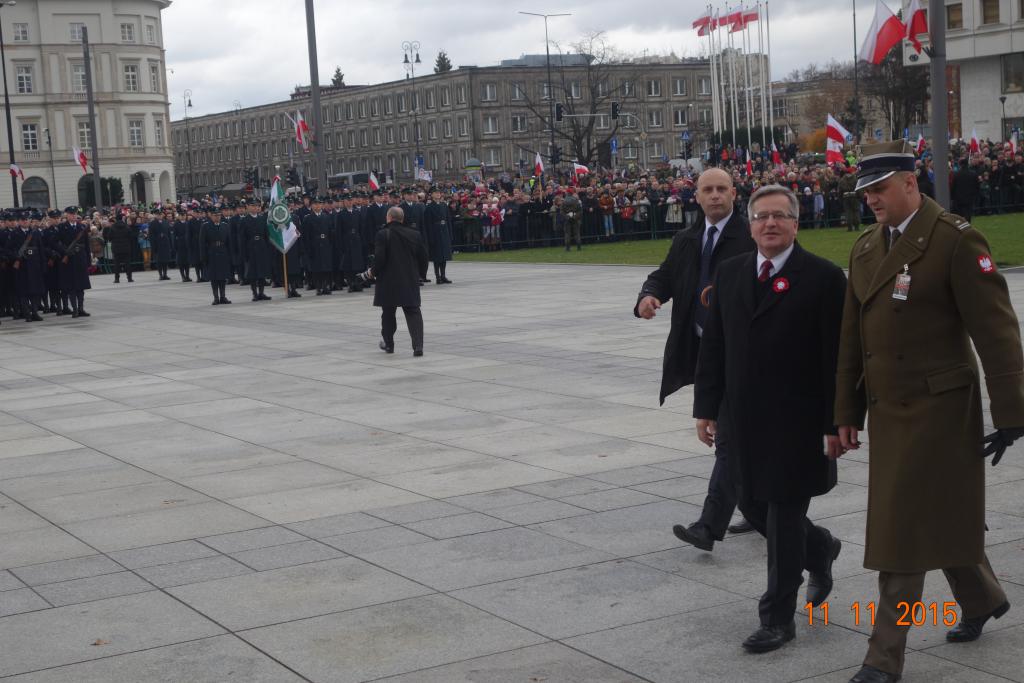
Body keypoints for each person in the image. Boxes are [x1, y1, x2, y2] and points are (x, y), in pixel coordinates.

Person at [834, 141, 1024, 683]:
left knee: (903, 530)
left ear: (910, 183)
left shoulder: (955, 240)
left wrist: (1012, 411)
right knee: (933, 512)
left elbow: (997, 330)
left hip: (940, 410)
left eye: (880, 189)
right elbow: (852, 339)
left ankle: (882, 658)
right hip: (888, 411)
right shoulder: (866, 247)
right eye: (866, 192)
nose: (872, 199)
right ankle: (982, 597)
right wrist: (845, 410)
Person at [693, 183, 846, 654]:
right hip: (742, 418)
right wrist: (705, 407)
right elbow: (714, 346)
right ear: (751, 225)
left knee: (782, 516)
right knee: (752, 504)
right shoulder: (732, 272)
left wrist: (836, 421)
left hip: (799, 422)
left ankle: (777, 618)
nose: (770, 224)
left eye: (780, 216)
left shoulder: (823, 278)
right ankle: (820, 548)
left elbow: (837, 359)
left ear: (796, 224)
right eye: (761, 217)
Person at [635, 167, 757, 552]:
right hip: (706, 351)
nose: (715, 195)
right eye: (708, 189)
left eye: (722, 189)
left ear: (734, 193)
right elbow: (665, 276)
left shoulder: (750, 236)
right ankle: (766, 512)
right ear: (698, 196)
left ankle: (708, 526)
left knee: (729, 439)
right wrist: (648, 296)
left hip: (745, 354)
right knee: (740, 438)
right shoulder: (687, 239)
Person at [358, 206, 428, 356]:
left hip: (388, 281)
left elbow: (379, 259)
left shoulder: (383, 234)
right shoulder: (415, 234)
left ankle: (389, 344)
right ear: (402, 219)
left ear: (388, 218)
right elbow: (423, 257)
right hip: (409, 279)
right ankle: (418, 346)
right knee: (413, 311)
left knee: (388, 313)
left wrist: (371, 273)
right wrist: (420, 275)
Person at [54, 207, 91, 318]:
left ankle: (81, 308)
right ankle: (75, 309)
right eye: (71, 214)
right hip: (69, 260)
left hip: (80, 259)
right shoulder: (61, 227)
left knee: (81, 286)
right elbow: (55, 242)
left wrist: (88, 260)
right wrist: (64, 251)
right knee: (71, 287)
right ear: (67, 215)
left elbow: (86, 245)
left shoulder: (82, 227)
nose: (73, 216)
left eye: (75, 214)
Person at [199, 205, 232, 305]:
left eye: (218, 215)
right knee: (214, 277)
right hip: (212, 253)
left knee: (222, 277)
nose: (217, 217)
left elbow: (229, 242)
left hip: (223, 253)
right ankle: (216, 297)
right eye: (215, 215)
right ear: (211, 216)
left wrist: (229, 254)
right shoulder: (205, 226)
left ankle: (223, 296)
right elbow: (202, 243)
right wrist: (203, 257)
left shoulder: (225, 225)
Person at [240, 200, 272, 302]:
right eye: (253, 206)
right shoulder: (244, 220)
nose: (255, 208)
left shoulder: (262, 219)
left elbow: (266, 235)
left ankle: (261, 292)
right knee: (253, 273)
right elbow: (242, 238)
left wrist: (267, 248)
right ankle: (254, 293)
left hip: (261, 247)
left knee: (262, 272)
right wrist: (244, 253)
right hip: (251, 247)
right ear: (248, 207)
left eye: (257, 206)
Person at [423, 187, 453, 284]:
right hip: (435, 233)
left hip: (444, 231)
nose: (438, 194)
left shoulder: (444, 205)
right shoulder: (429, 207)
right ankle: (438, 277)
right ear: (431, 195)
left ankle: (443, 276)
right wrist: (430, 237)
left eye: (439, 193)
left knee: (444, 256)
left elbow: (448, 220)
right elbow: (428, 224)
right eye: (436, 193)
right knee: (437, 257)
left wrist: (450, 234)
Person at [104, 214, 135, 283]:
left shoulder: (113, 227)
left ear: (116, 219)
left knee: (117, 264)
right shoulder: (126, 226)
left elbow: (109, 237)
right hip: (126, 247)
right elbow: (131, 236)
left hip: (116, 248)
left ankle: (117, 279)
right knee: (127, 263)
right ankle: (129, 278)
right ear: (122, 218)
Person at [148, 209, 173, 280]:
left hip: (165, 244)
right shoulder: (152, 223)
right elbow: (151, 236)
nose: (159, 216)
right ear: (156, 215)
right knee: (159, 261)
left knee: (165, 260)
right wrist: (153, 245)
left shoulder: (165, 222)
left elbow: (169, 234)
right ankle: (160, 275)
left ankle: (165, 274)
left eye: (160, 214)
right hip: (157, 245)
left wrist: (170, 244)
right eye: (158, 215)